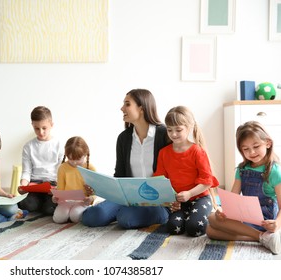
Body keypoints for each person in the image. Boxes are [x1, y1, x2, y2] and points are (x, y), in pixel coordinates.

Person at [82, 89, 170, 229]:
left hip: (157, 201)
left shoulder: (164, 134)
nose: (122, 108)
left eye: (127, 104)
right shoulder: (124, 138)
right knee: (91, 216)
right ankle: (125, 212)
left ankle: (158, 215)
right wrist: (98, 188)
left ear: (141, 108)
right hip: (128, 198)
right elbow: (119, 176)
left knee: (125, 218)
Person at [207, 121, 281, 254]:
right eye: (245, 149)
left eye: (256, 146)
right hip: (245, 213)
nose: (251, 152)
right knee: (211, 224)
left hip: (265, 217)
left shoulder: (274, 171)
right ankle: (261, 237)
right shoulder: (242, 170)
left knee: (214, 228)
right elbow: (232, 198)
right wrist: (223, 211)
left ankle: (263, 235)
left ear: (268, 143)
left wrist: (277, 223)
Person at [153, 105, 219, 237]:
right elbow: (160, 180)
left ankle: (207, 214)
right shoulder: (163, 153)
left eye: (178, 130)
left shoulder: (197, 151)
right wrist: (171, 200)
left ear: (189, 128)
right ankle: (190, 215)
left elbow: (207, 181)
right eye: (170, 130)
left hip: (200, 197)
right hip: (178, 201)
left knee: (195, 229)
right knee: (173, 228)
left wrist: (189, 193)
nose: (173, 134)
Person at [17, 106, 64, 215]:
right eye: (36, 128)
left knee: (49, 209)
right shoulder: (28, 146)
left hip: (53, 185)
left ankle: (43, 205)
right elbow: (26, 171)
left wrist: (59, 187)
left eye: (44, 128)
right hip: (35, 185)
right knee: (29, 204)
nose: (41, 132)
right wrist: (23, 185)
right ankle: (36, 203)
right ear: (32, 125)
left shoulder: (58, 145)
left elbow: (61, 170)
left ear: (51, 125)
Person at [52, 136, 96, 223]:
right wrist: (55, 197)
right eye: (71, 159)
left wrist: (91, 199)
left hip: (82, 202)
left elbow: (95, 191)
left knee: (75, 217)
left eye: (78, 159)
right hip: (66, 201)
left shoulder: (90, 168)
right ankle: (69, 213)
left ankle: (77, 212)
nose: (74, 162)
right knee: (58, 219)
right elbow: (60, 189)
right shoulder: (62, 168)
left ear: (85, 154)